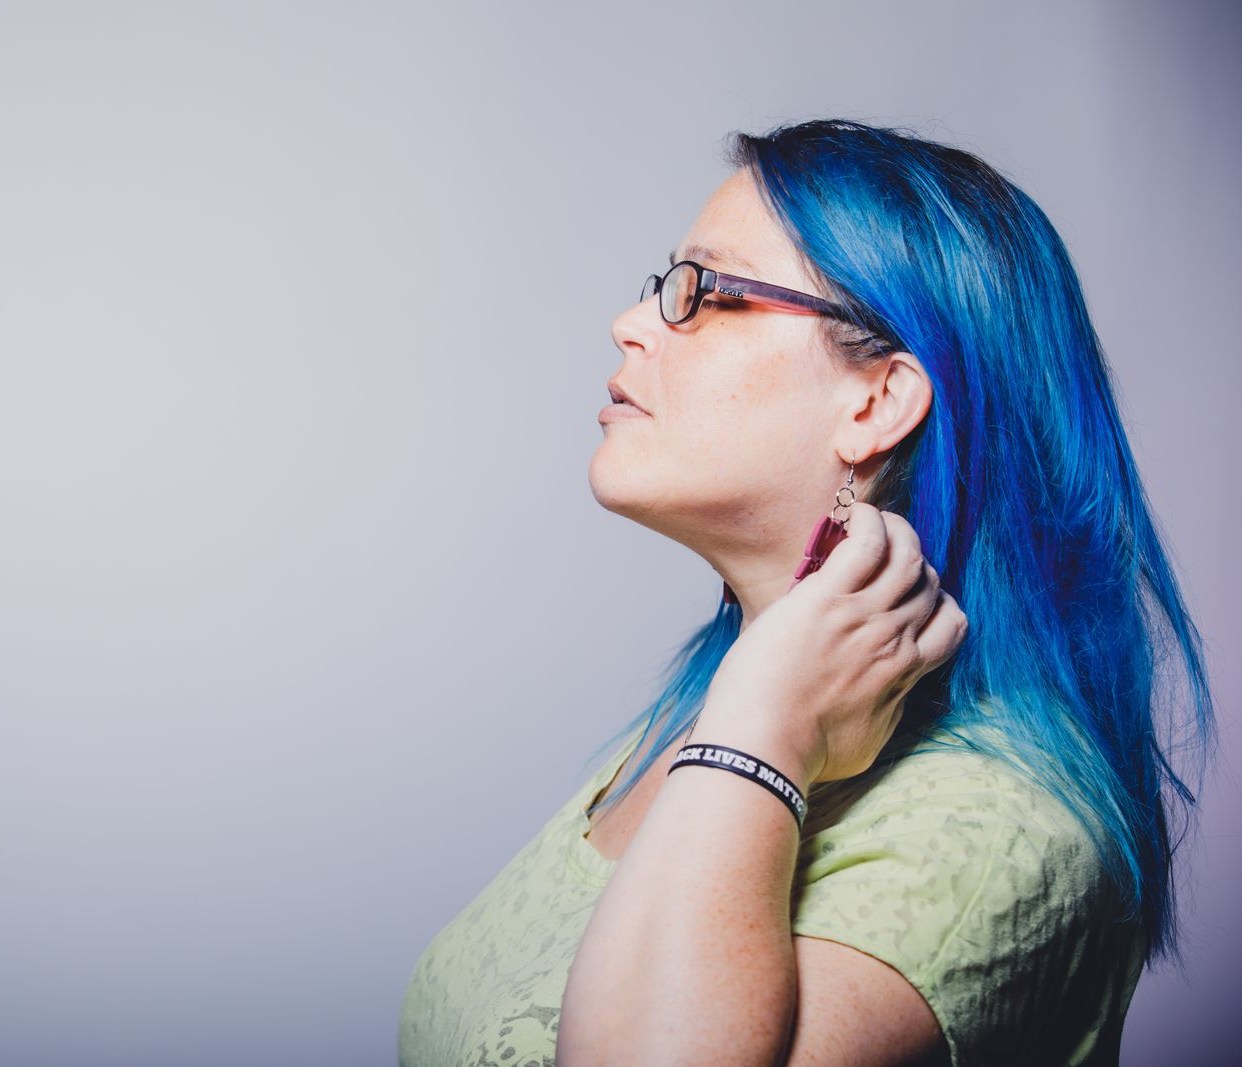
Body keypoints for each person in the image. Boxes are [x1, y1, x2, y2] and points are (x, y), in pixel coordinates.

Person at [397, 119, 1215, 1066]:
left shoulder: (1001, 829)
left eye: (702, 289)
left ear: (876, 402)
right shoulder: (690, 718)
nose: (632, 322)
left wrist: (763, 730)